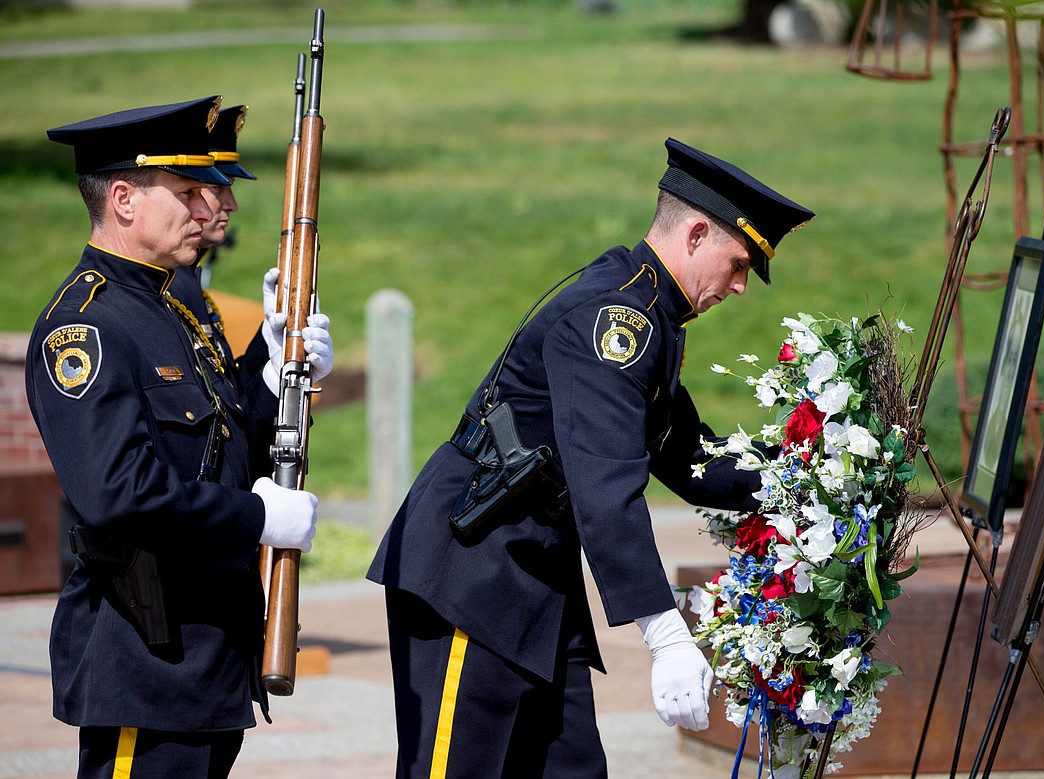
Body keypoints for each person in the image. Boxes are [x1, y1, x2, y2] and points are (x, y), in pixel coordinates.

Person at [367, 137, 814, 778]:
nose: (740, 287)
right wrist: (665, 635)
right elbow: (607, 488)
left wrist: (811, 480)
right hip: (474, 571)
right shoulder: (616, 319)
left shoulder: (651, 315)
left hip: (530, 578)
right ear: (694, 235)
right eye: (739, 262)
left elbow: (688, 457)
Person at [26, 96, 330, 779]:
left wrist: (277, 369)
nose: (213, 207)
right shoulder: (89, 327)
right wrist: (258, 517)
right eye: (190, 190)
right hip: (145, 654)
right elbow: (118, 492)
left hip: (203, 655)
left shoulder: (176, 306)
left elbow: (224, 449)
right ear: (125, 199)